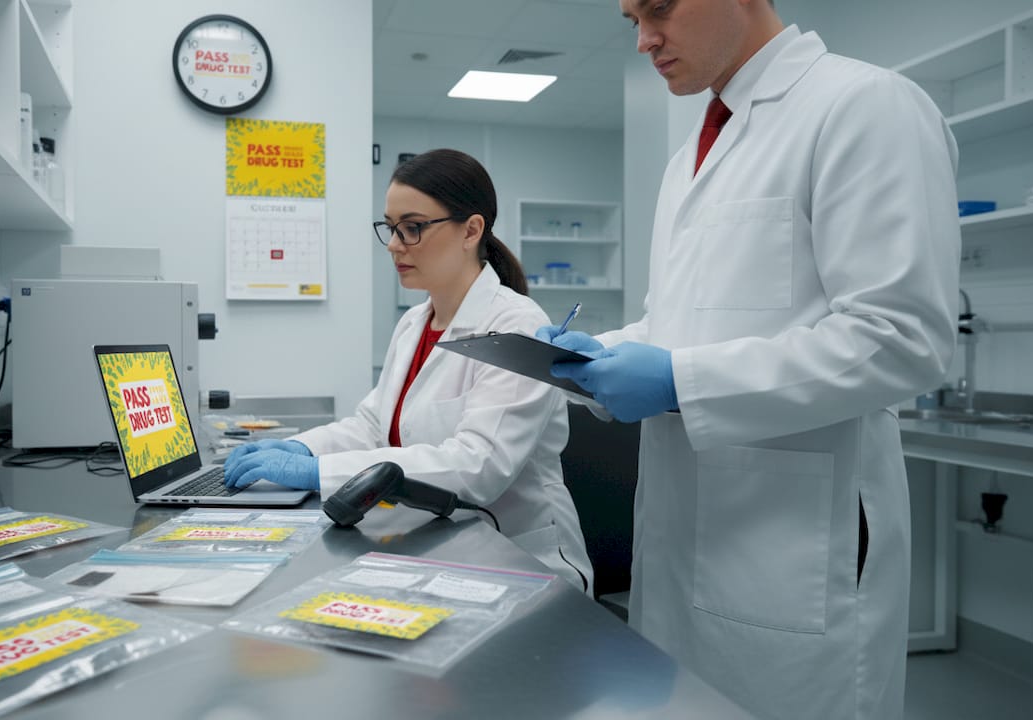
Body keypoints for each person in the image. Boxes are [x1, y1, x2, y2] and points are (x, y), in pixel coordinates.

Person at [538, 1, 961, 718]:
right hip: (684, 539)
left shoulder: (864, 106)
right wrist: (599, 353)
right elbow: (678, 323)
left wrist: (679, 381)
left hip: (795, 548)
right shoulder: (688, 160)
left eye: (660, 9)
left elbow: (901, 338)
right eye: (631, 18)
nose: (643, 40)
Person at [222, 148, 594, 593]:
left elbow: (479, 466)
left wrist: (317, 472)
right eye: (391, 228)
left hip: (519, 561)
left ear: (471, 230)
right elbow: (374, 425)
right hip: (435, 547)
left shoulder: (517, 324)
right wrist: (301, 447)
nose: (395, 245)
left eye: (413, 228)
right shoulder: (415, 322)